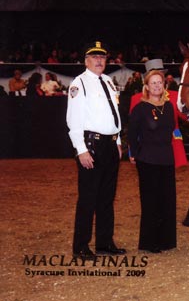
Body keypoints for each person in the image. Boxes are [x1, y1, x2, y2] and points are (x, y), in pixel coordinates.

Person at [66, 41, 126, 260]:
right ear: (86, 61)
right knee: (88, 198)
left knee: (107, 197)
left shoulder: (109, 81)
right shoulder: (78, 84)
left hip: (110, 144)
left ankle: (104, 242)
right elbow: (73, 120)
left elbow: (114, 114)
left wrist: (118, 139)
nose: (100, 61)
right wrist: (81, 150)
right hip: (92, 145)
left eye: (102, 57)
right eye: (94, 57)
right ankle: (80, 246)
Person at [128, 70, 177, 253]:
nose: (157, 85)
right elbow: (132, 134)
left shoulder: (169, 106)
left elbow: (171, 129)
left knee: (167, 200)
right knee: (151, 201)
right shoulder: (140, 108)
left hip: (166, 158)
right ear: (147, 87)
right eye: (153, 83)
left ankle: (166, 240)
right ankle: (150, 242)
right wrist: (135, 153)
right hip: (147, 160)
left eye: (160, 82)